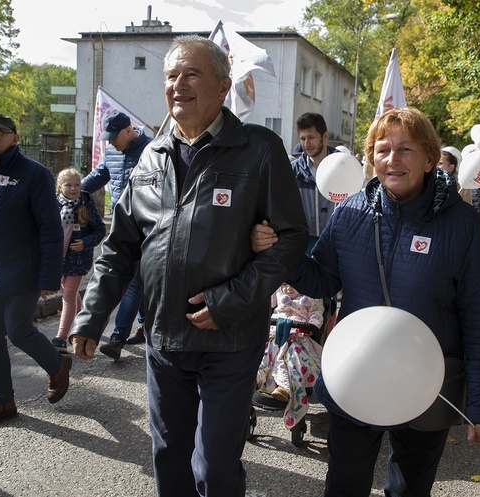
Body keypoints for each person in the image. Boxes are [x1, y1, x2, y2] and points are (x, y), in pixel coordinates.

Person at [68, 35, 308, 496]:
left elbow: (291, 239)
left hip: (230, 340)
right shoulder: (150, 157)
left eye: (192, 74)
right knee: (169, 457)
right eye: (171, 76)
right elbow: (120, 248)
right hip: (164, 339)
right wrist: (91, 315)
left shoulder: (259, 149)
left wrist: (230, 301)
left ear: (222, 86)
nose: (178, 85)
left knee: (215, 469)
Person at [252, 107, 480, 496]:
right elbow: (321, 279)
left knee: (408, 490)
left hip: (426, 383)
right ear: (370, 159)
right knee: (344, 486)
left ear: (430, 158)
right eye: (382, 150)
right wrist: (279, 252)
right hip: (355, 375)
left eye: (406, 149)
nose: (392, 160)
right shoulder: (350, 213)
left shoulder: (462, 224)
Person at [0, 113, 71, 430]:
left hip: (23, 272)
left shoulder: (34, 174)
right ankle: (1, 402)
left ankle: (58, 365)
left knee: (17, 329)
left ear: (15, 137)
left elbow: (50, 230)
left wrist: (49, 278)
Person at [81, 111, 153, 358]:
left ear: (128, 130)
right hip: (119, 227)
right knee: (139, 281)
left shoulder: (153, 151)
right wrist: (73, 193)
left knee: (133, 281)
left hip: (146, 228)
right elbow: (94, 180)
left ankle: (116, 338)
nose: (110, 142)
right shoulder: (111, 153)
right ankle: (145, 324)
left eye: (114, 136)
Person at [51, 169, 106, 353]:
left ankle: (61, 337)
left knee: (68, 296)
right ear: (60, 187)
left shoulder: (86, 203)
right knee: (73, 295)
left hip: (78, 260)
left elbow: (100, 230)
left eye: (77, 185)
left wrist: (85, 242)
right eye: (68, 185)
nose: (73, 189)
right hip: (59, 258)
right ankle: (87, 324)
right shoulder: (54, 205)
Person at [256, 283, 324, 429]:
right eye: (285, 285)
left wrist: (308, 329)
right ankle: (256, 378)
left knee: (293, 358)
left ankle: (284, 388)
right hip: (276, 332)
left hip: (298, 335)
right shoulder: (278, 293)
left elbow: (316, 316)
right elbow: (265, 300)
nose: (288, 289)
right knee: (267, 352)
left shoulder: (310, 298)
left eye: (293, 285)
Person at [291, 112, 338, 237]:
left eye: (311, 137)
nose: (306, 144)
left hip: (337, 248)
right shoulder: (292, 172)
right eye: (302, 138)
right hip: (303, 247)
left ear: (325, 136)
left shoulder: (343, 169)